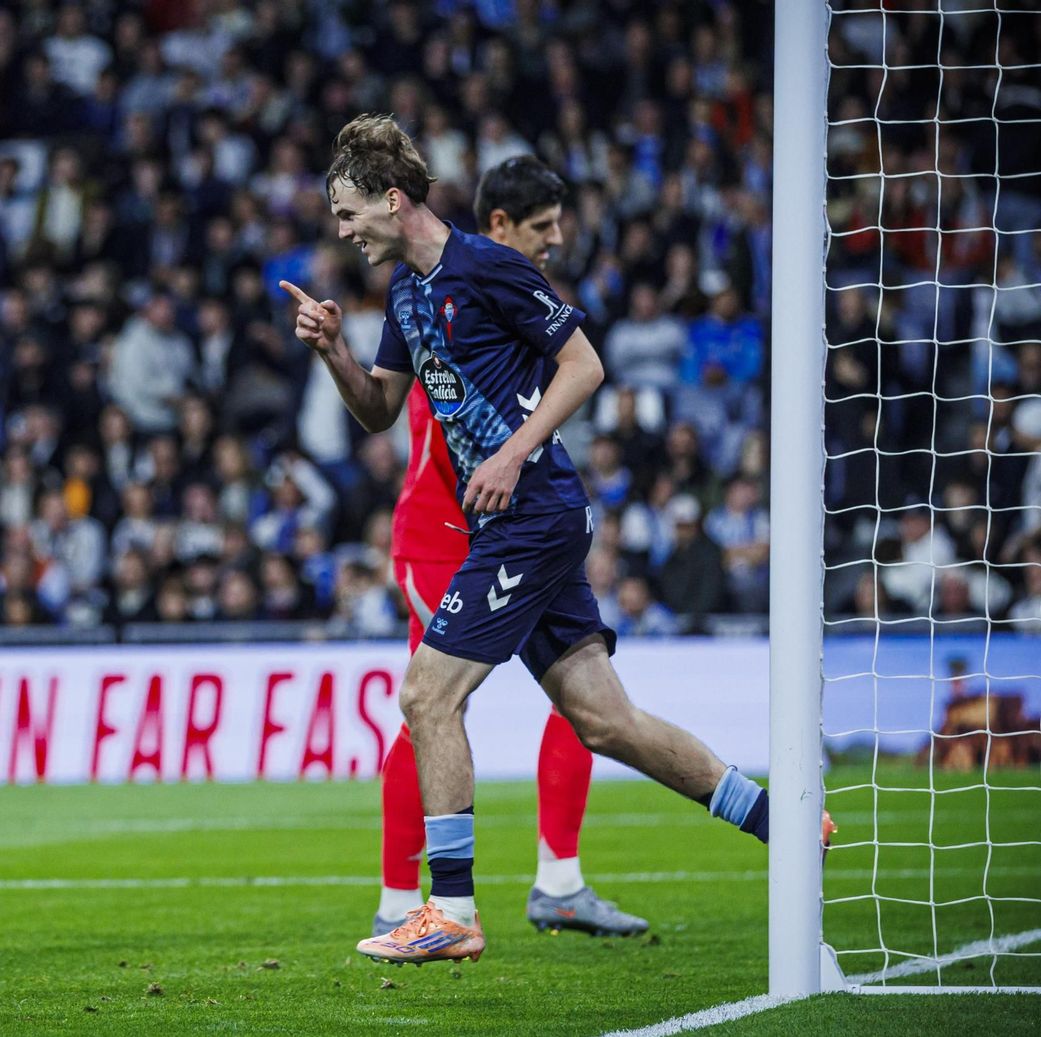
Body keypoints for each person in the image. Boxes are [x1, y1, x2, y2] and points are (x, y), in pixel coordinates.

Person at [284, 116, 831, 966]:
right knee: (605, 721)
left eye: (349, 212)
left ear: (393, 201)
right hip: (514, 523)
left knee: (428, 696)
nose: (344, 230)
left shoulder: (491, 266)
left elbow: (585, 365)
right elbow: (379, 411)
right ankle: (781, 823)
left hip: (532, 514)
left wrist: (508, 452)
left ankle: (453, 912)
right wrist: (332, 353)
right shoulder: (404, 294)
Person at [374, 156, 646, 940]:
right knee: (427, 702)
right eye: (541, 229)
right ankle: (402, 900)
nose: (557, 243)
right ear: (498, 227)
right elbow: (419, 416)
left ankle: (559, 879)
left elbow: (560, 383)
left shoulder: (510, 299)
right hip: (441, 535)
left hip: (516, 527)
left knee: (582, 694)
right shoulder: (436, 295)